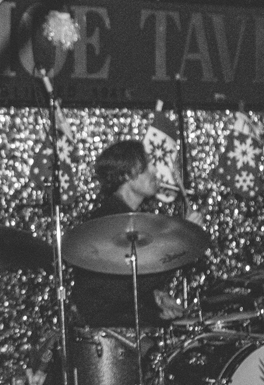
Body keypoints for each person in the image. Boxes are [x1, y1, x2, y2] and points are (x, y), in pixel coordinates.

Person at [70, 139, 199, 329]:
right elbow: (113, 293)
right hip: (109, 331)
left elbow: (129, 285)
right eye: (147, 166)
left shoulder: (133, 218)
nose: (155, 170)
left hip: (124, 322)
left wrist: (156, 300)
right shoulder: (108, 222)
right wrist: (184, 239)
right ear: (126, 174)